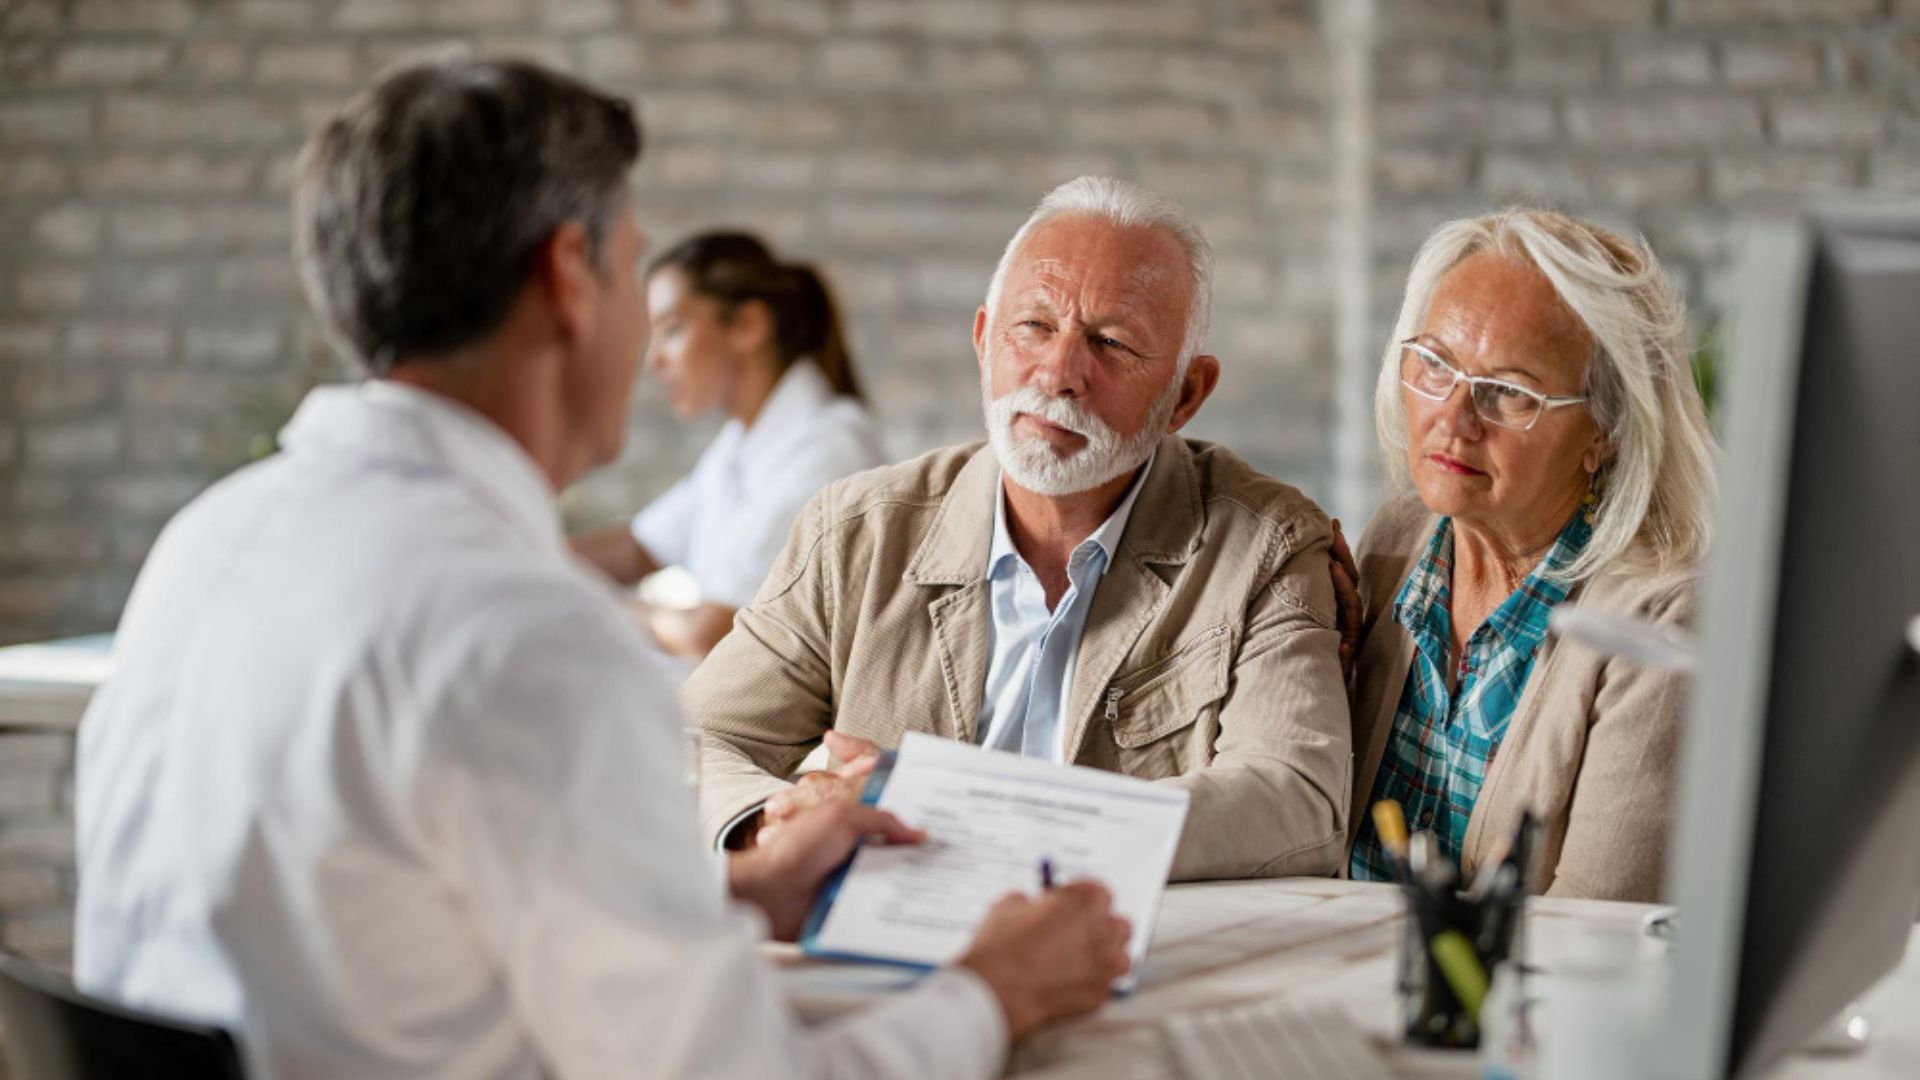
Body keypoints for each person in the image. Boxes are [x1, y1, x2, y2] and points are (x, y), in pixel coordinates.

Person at [72, 58, 1130, 1080]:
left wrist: (736, 895)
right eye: (632, 265)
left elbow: (394, 930)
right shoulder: (527, 637)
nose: (648, 343)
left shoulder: (208, 541)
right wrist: (995, 991)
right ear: (568, 276)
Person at [687, 176, 1352, 883]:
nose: (1060, 373)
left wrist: (965, 815)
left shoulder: (1266, 546)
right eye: (1033, 327)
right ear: (983, 342)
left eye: (1112, 342)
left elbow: (1296, 801)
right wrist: (774, 823)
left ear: (1185, 395)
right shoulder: (855, 533)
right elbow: (695, 738)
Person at [1334, 208, 1718, 903]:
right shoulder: (1398, 540)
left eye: (1509, 392)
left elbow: (1594, 930)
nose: (1453, 418)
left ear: (1605, 430)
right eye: (1435, 364)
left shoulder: (1662, 620)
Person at [571, 231, 886, 660]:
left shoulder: (825, 448)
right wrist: (525, 556)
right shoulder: (741, 444)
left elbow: (708, 635)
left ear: (746, 325)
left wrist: (583, 601)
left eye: (672, 329)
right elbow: (639, 546)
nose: (654, 360)